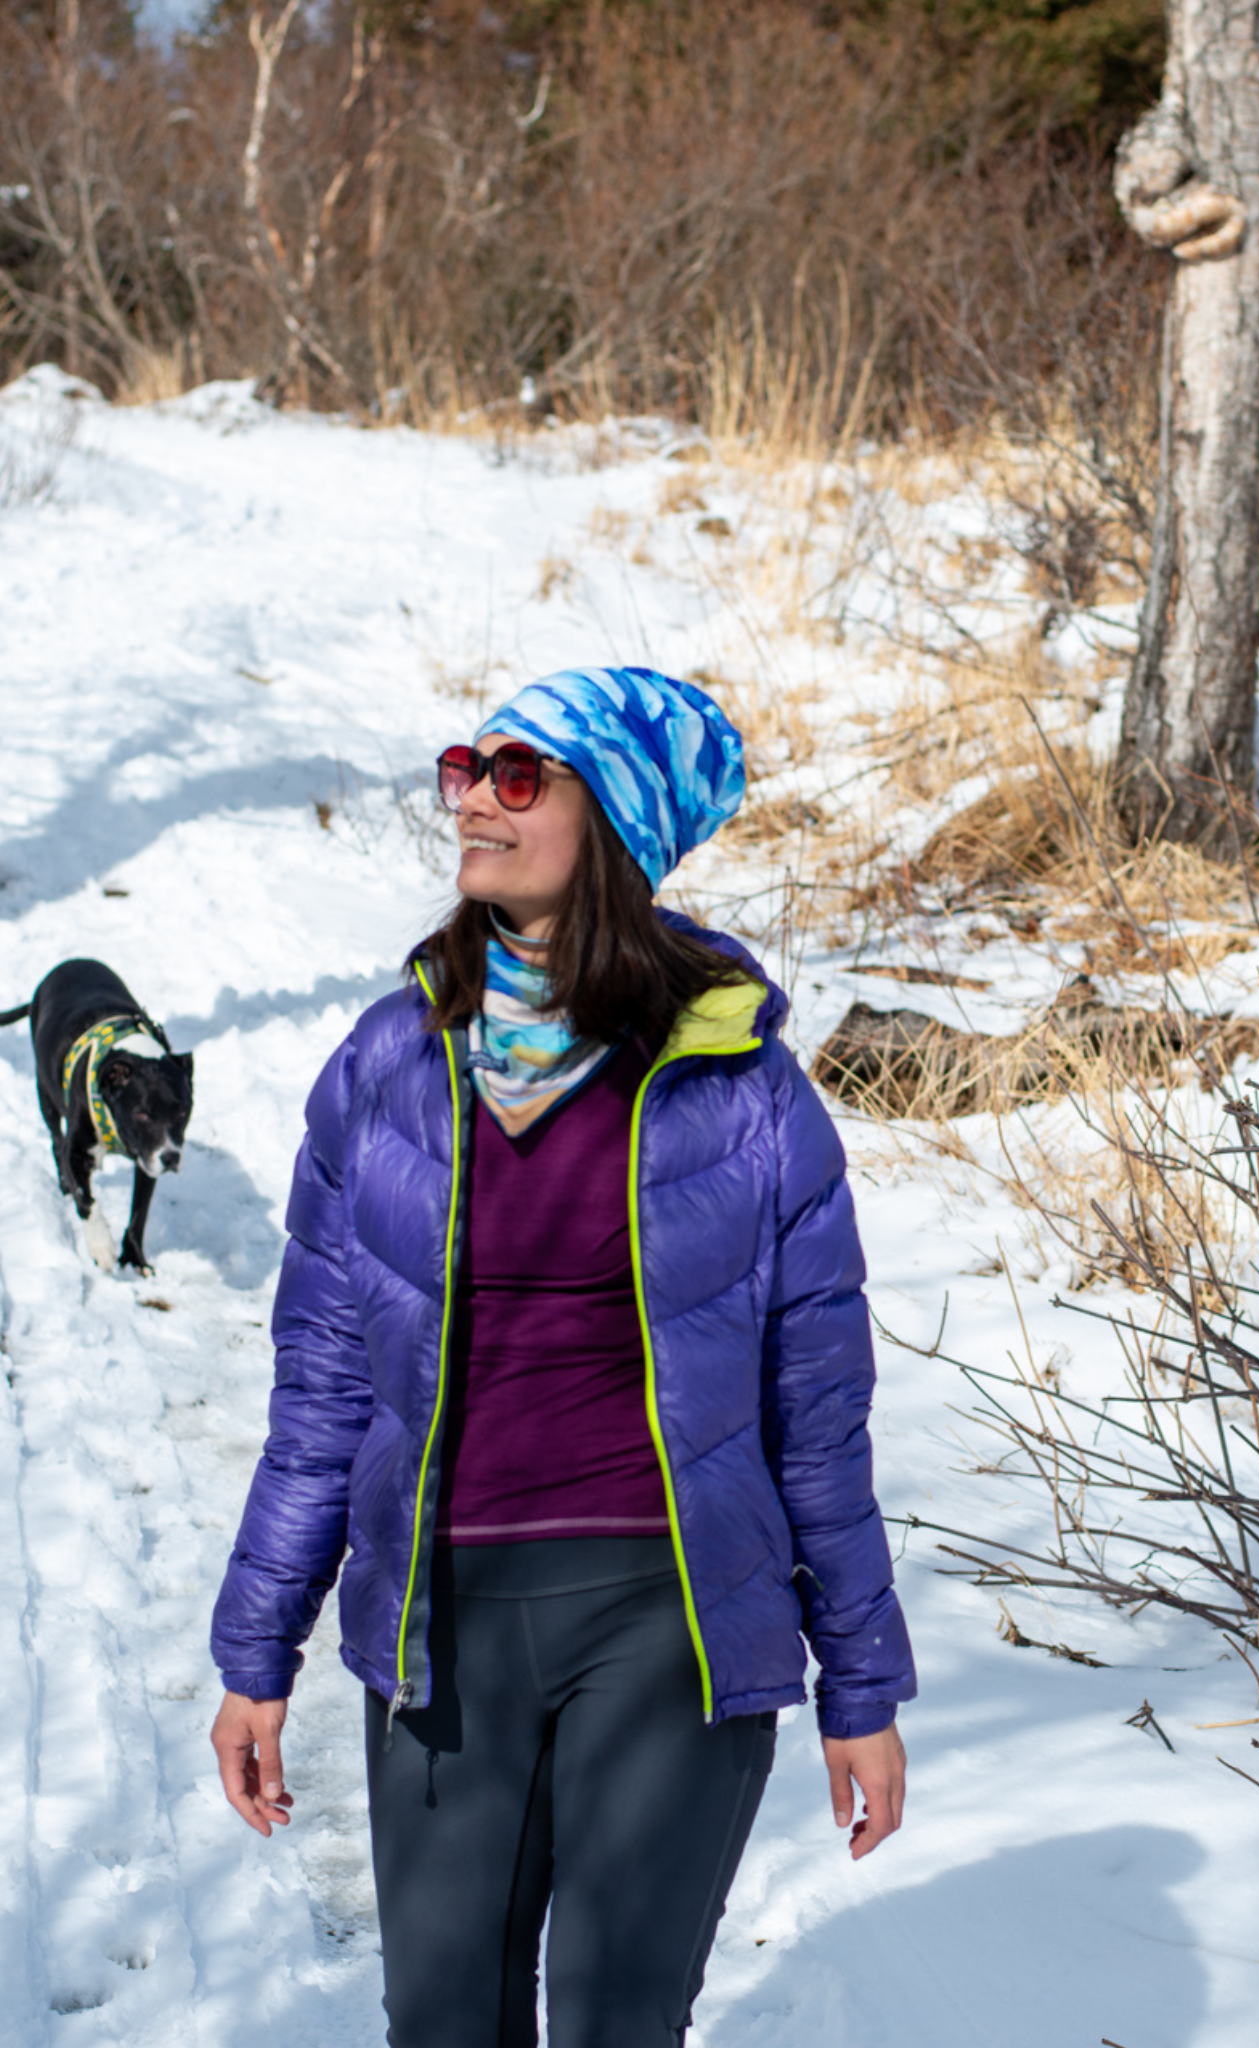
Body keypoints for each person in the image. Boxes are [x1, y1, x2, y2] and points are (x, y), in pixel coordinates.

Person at [209, 665, 916, 2048]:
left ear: (619, 831)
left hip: (668, 1622)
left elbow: (815, 1418)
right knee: (445, 2022)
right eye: (468, 765)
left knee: (613, 2023)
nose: (473, 796)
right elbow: (323, 1392)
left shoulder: (744, 1093)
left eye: (520, 776)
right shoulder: (385, 1067)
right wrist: (255, 1649)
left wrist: (865, 1685)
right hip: (443, 1621)